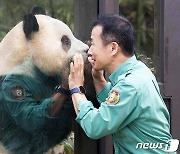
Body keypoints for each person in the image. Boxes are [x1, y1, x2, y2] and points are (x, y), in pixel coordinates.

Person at [68, 14, 174, 153]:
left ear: (113, 48)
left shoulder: (130, 84)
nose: (90, 51)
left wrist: (76, 89)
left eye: (93, 43)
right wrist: (99, 79)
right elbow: (119, 107)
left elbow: (94, 126)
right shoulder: (139, 70)